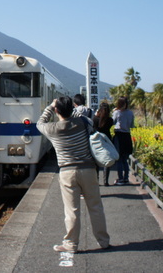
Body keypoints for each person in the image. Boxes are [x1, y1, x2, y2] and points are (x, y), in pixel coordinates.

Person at [36, 96, 110, 253]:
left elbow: (39, 123)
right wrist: (71, 111)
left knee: (72, 210)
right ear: (72, 109)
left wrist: (50, 106)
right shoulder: (83, 122)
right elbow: (85, 118)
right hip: (89, 170)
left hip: (67, 172)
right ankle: (103, 241)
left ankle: (71, 245)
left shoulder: (52, 129)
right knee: (95, 207)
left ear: (57, 111)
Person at [112, 96, 135, 185]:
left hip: (119, 136)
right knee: (125, 159)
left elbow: (113, 122)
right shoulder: (130, 113)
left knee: (119, 159)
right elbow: (132, 125)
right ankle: (126, 178)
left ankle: (120, 178)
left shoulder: (117, 113)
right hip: (127, 136)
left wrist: (114, 112)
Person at [93, 101, 114, 186]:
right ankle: (106, 181)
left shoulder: (95, 119)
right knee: (107, 160)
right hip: (107, 140)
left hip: (97, 140)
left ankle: (96, 180)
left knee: (97, 160)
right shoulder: (110, 120)